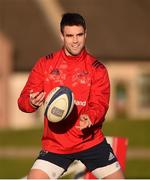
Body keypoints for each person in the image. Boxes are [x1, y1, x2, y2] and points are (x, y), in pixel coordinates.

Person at [18, 13, 124, 179]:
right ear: (62, 36)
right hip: (56, 146)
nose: (75, 41)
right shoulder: (45, 65)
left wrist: (90, 116)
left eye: (79, 35)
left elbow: (100, 103)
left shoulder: (97, 69)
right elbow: (23, 101)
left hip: (90, 142)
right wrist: (31, 102)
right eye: (70, 36)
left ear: (85, 34)